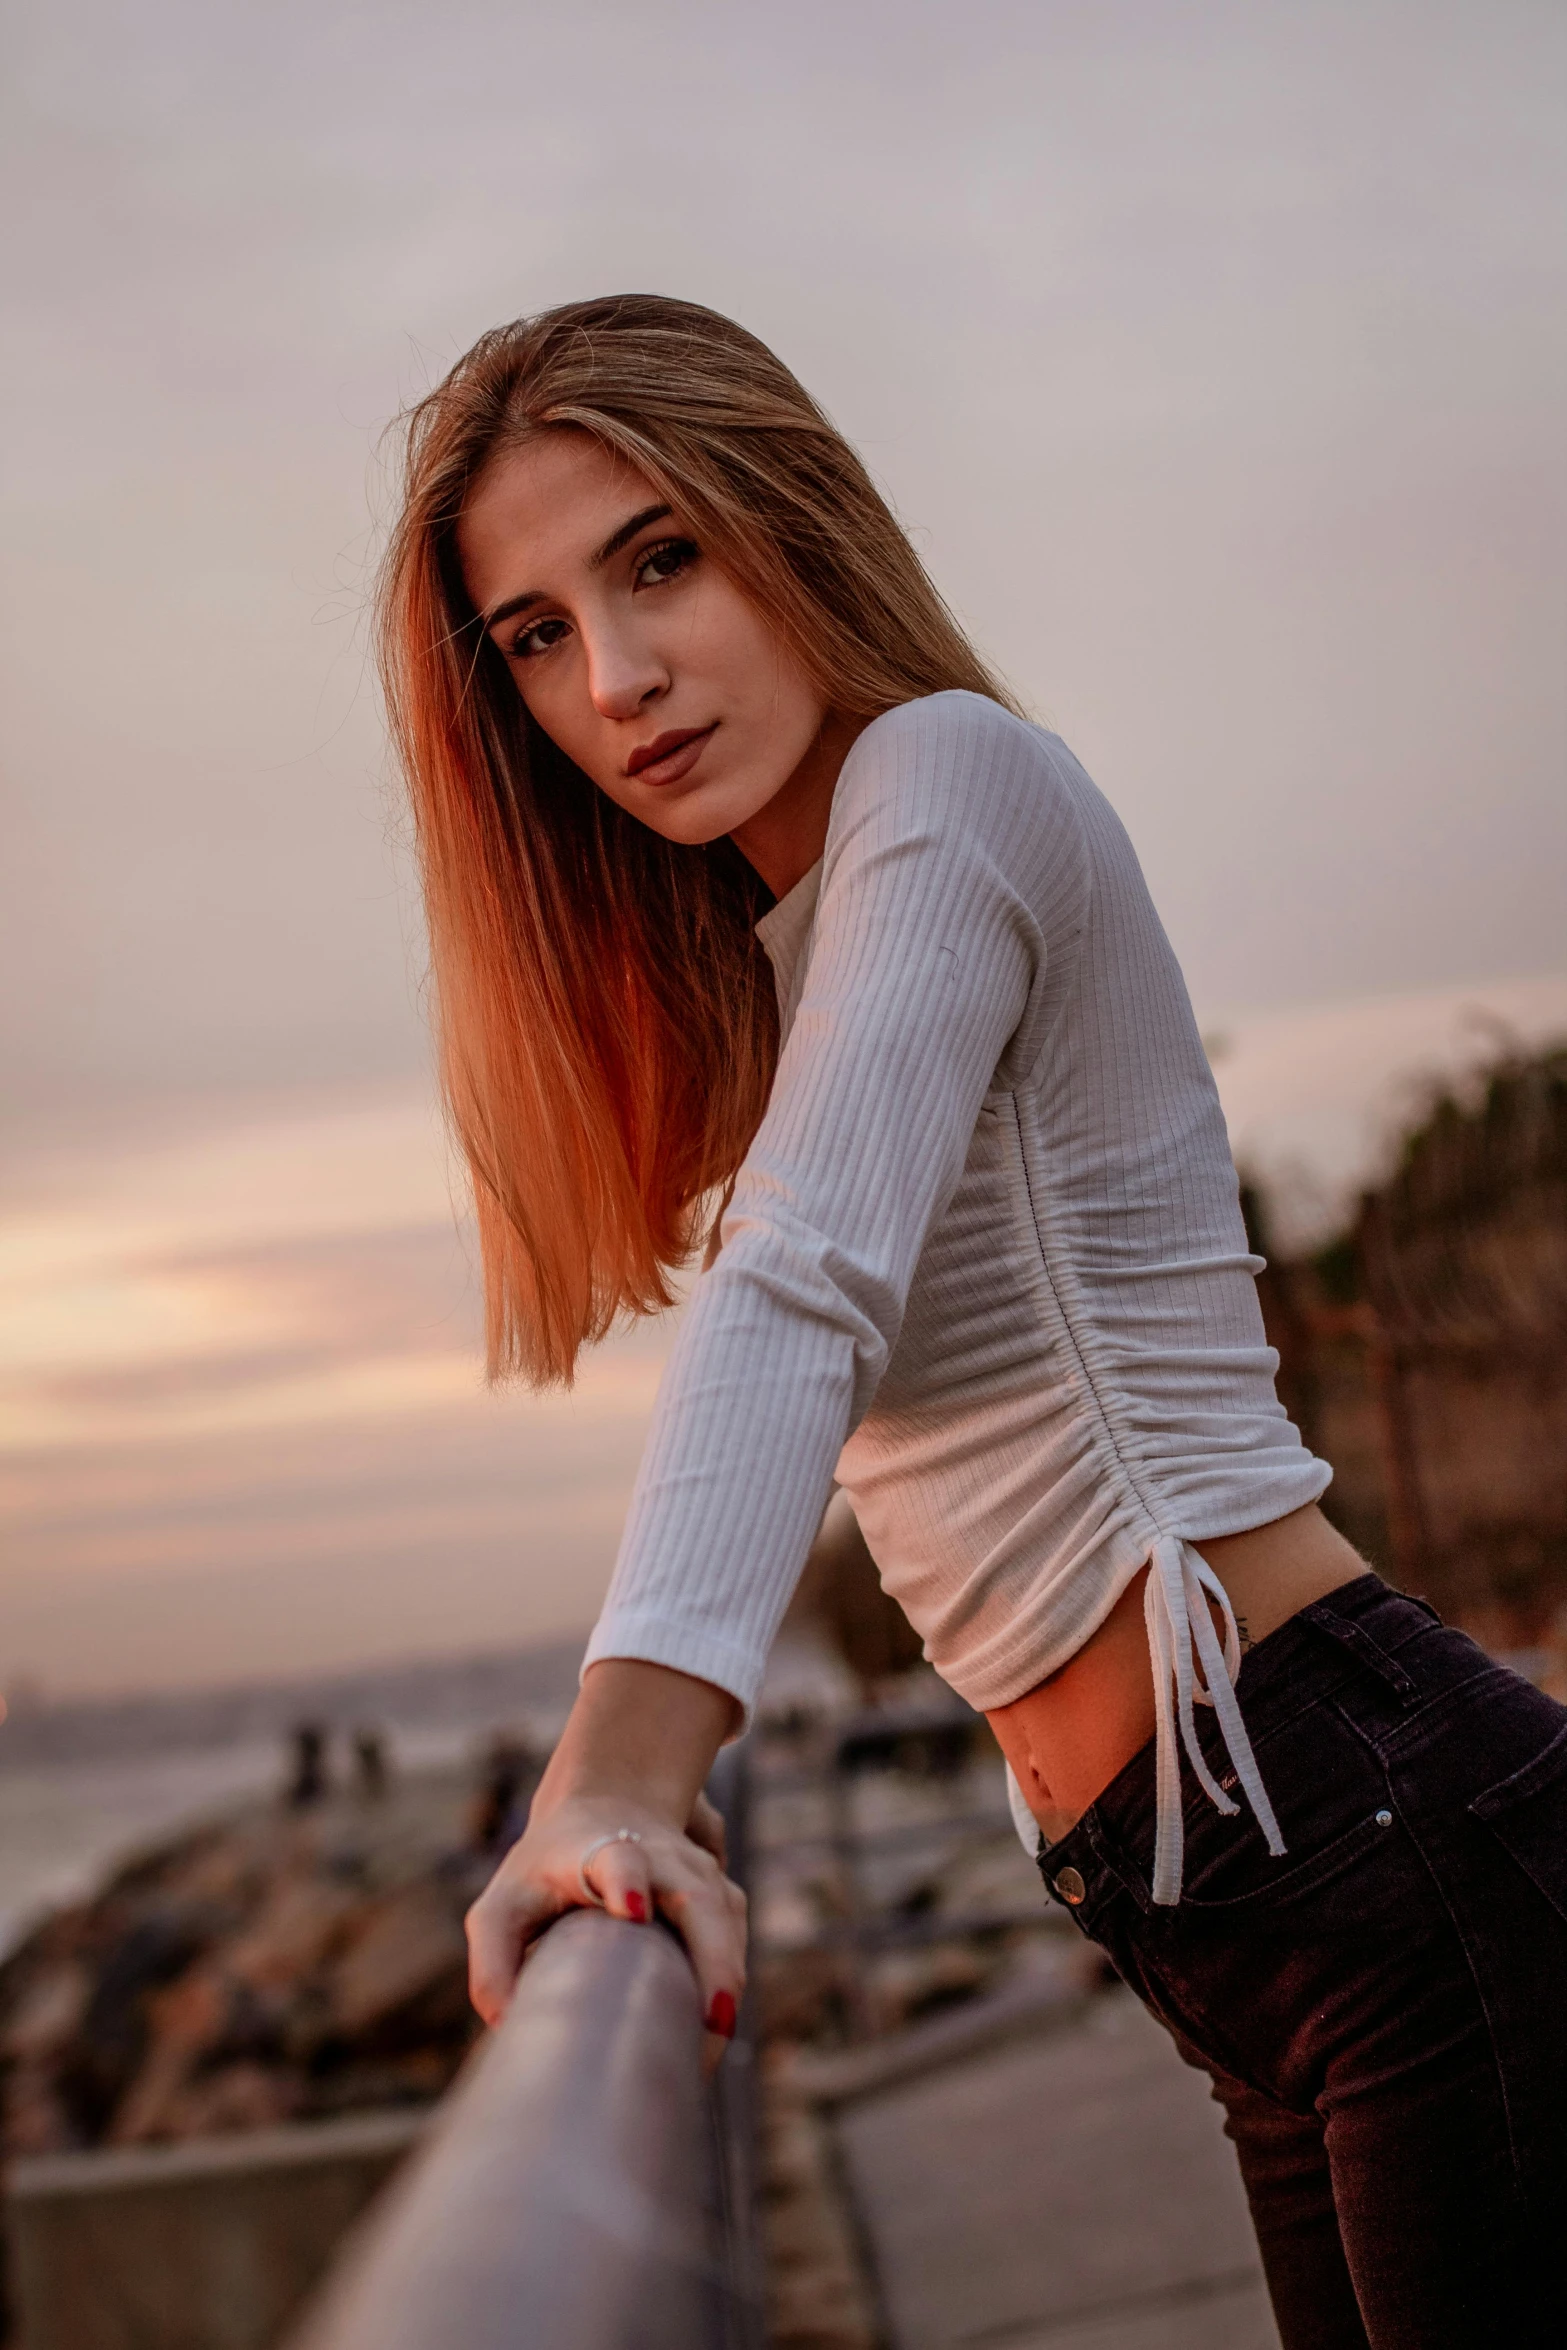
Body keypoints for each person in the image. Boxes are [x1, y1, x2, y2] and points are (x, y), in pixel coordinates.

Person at [375, 294, 1567, 2348]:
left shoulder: (950, 776)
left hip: (1374, 1828)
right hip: (1236, 1906)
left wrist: (619, 1775)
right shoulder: (797, 950)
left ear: (794, 518)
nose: (621, 673)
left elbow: (806, 1279)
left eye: (660, 558)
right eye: (540, 635)